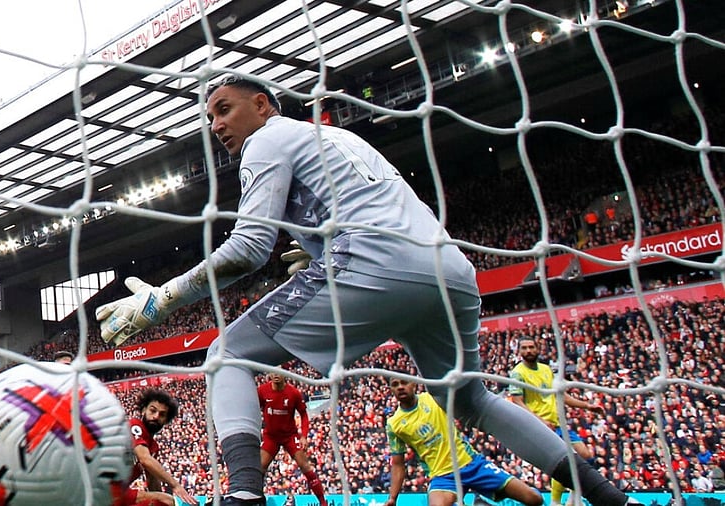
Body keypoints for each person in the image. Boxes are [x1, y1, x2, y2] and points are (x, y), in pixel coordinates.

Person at [95, 75, 633, 506]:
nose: (215, 124)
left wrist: (162, 298)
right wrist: (318, 245)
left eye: (223, 109)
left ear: (262, 105)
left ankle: (241, 495)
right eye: (208, 117)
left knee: (226, 354)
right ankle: (611, 498)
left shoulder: (268, 139)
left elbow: (249, 249)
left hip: (373, 268)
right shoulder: (343, 138)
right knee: (470, 399)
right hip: (448, 271)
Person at [385, 376, 542, 506]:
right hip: (443, 476)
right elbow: (398, 463)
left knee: (534, 499)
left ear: (414, 383)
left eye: (404, 382)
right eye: (395, 384)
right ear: (391, 390)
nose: (400, 387)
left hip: (472, 464)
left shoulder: (434, 397)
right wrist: (392, 498)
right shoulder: (394, 424)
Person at [509, 336, 607, 506]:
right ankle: (556, 501)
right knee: (565, 461)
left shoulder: (546, 370)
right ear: (519, 351)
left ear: (538, 348)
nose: (528, 351)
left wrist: (587, 406)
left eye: (531, 347)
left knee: (585, 455)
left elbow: (560, 395)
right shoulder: (518, 373)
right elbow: (517, 401)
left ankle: (572, 497)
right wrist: (539, 421)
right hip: (538, 425)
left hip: (556, 422)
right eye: (524, 348)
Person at [258, 371, 326, 505]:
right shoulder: (262, 391)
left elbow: (304, 415)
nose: (276, 375)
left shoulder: (293, 393)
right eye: (273, 372)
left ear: (284, 374)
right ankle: (258, 500)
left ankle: (323, 502)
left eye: (278, 372)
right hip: (271, 436)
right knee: (260, 468)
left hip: (290, 436)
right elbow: (254, 409)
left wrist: (304, 436)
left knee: (305, 466)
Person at [129, 388, 198, 506]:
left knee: (163, 501)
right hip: (101, 488)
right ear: (144, 410)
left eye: (162, 414)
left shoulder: (154, 447)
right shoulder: (135, 425)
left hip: (116, 494)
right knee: (166, 500)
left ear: (166, 420)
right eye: (152, 410)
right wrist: (175, 486)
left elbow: (152, 481)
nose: (156, 416)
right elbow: (145, 459)